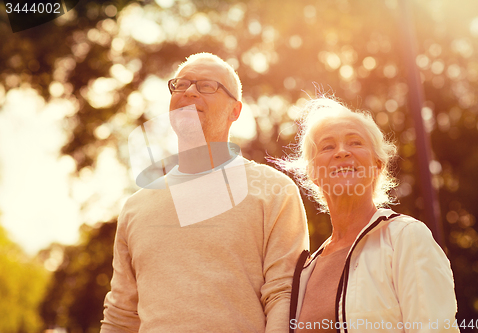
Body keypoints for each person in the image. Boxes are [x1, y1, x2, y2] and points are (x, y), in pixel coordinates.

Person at [100, 53, 309, 332]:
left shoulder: (274, 191)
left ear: (235, 111)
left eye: (207, 86)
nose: (189, 92)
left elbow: (284, 296)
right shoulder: (135, 207)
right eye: (181, 84)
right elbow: (121, 315)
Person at [280, 97, 459, 332]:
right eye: (328, 146)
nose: (342, 152)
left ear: (377, 165)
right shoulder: (304, 270)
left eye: (355, 143)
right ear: (313, 172)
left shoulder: (406, 237)